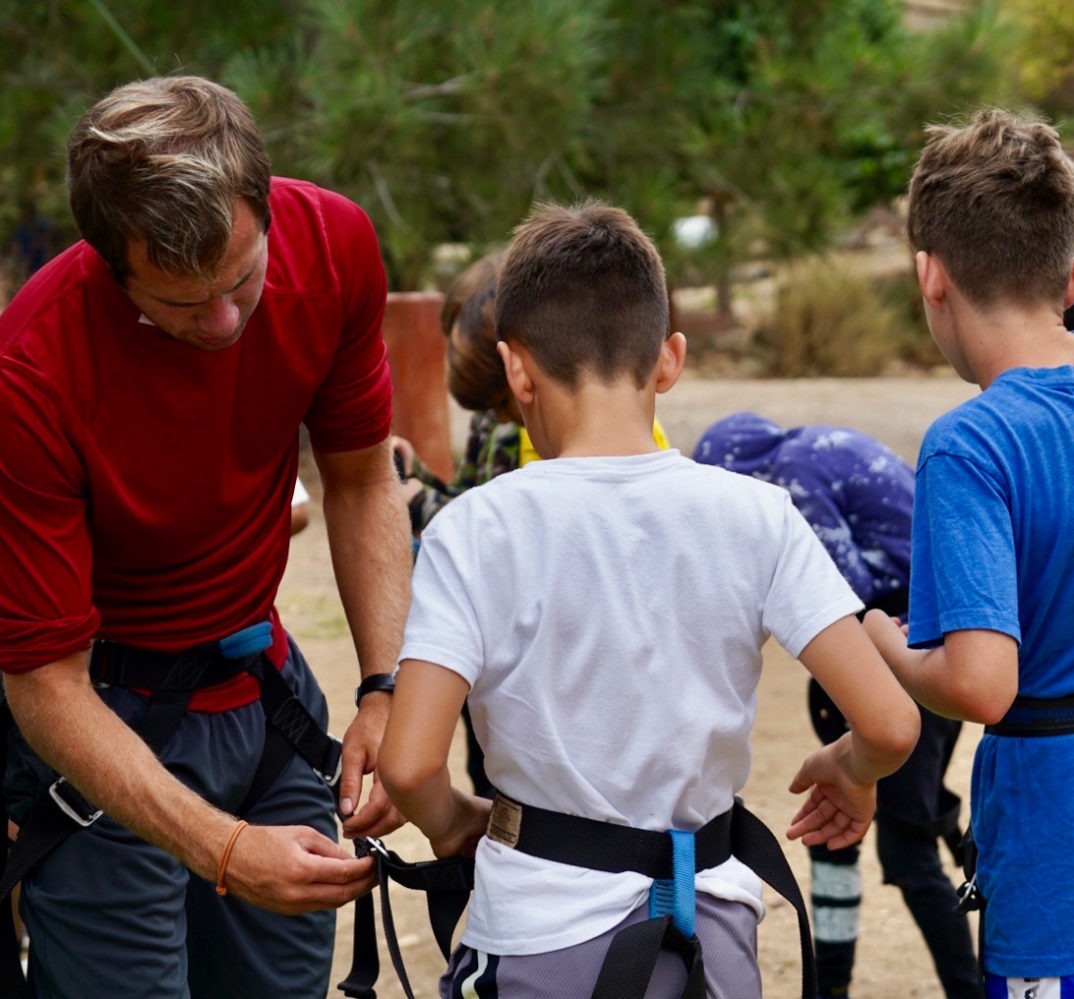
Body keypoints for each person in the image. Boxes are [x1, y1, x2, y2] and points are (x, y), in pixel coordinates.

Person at [378, 200, 920, 998]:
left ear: (516, 368)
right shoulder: (757, 514)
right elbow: (890, 722)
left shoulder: (474, 529)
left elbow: (410, 761)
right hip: (711, 936)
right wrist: (851, 765)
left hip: (538, 938)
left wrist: (454, 820)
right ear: (670, 359)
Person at [0, 76, 411, 998]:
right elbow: (43, 681)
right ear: (112, 265)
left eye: (242, 280)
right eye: (179, 305)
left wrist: (387, 687)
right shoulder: (31, 372)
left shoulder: (335, 245)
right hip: (102, 722)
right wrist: (223, 850)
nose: (224, 323)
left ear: (266, 209)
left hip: (259, 691)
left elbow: (357, 475)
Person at [864, 108, 1074, 997]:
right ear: (1069, 276)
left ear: (931, 277)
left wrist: (877, 634)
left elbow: (982, 682)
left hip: (1048, 858)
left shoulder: (972, 446)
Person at [694, 413, 978, 999]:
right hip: (922, 638)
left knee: (906, 850)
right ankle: (832, 987)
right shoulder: (817, 446)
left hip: (897, 647)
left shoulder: (794, 474)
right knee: (833, 830)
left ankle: (965, 986)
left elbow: (834, 597)